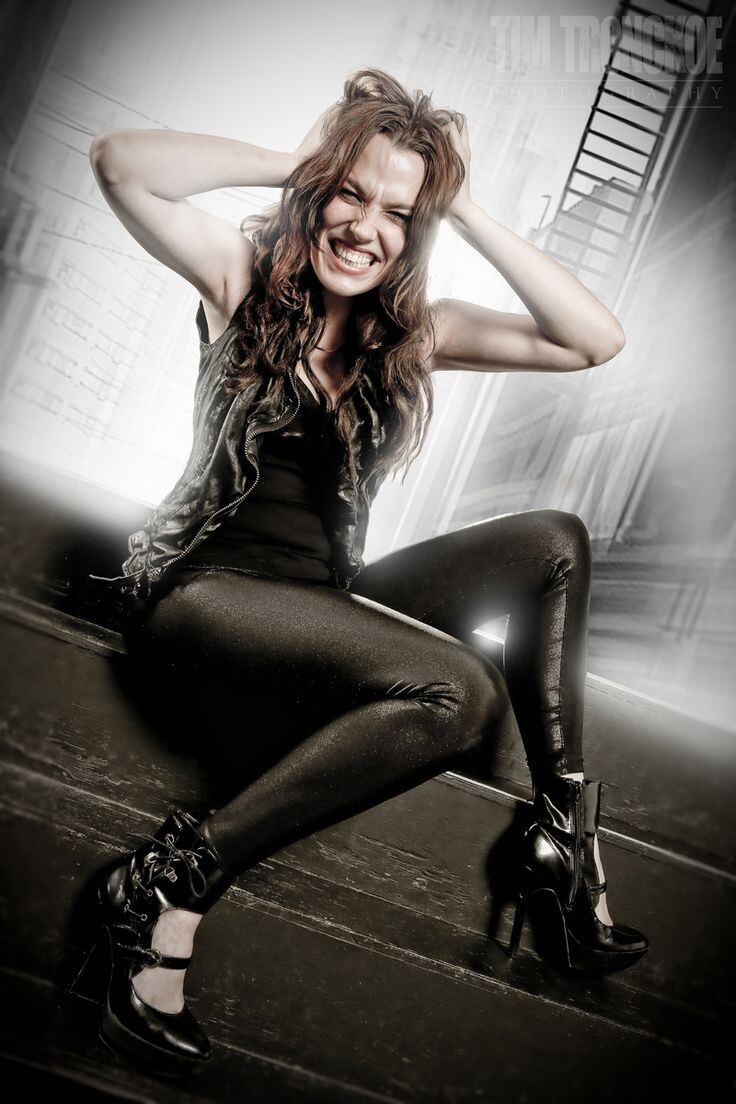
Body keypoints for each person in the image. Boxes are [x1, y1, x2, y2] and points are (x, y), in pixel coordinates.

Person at [72, 69, 648, 1074]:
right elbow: (122, 162)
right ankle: (171, 882)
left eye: (397, 214)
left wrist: (459, 206)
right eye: (350, 195)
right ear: (318, 191)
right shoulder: (239, 279)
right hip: (203, 598)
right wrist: (307, 164)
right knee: (459, 691)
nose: (364, 228)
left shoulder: (415, 334)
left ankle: (562, 838)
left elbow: (593, 340)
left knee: (554, 541)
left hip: (318, 605)